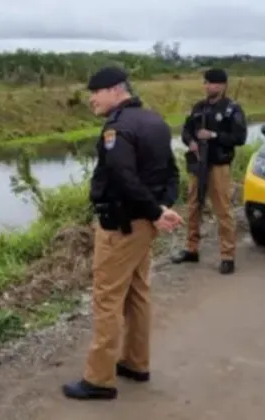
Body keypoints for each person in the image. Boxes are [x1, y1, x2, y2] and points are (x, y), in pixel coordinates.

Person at [62, 66, 183, 401]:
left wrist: (155, 211)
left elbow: (123, 177)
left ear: (116, 90)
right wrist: (160, 208)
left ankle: (99, 380)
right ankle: (135, 362)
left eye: (96, 92)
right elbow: (171, 173)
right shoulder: (154, 121)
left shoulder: (118, 129)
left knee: (107, 298)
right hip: (143, 225)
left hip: (121, 226)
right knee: (137, 293)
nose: (91, 100)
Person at [172, 68, 248, 275]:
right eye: (205, 83)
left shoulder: (232, 109)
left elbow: (240, 138)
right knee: (193, 205)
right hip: (198, 163)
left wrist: (213, 135)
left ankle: (227, 256)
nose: (207, 86)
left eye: (212, 83)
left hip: (219, 165)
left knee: (222, 210)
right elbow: (186, 131)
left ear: (222, 85)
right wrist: (192, 142)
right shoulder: (198, 108)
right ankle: (191, 249)